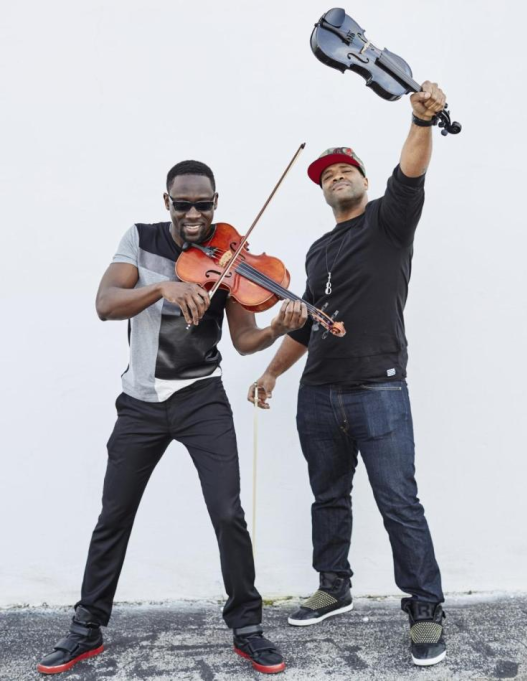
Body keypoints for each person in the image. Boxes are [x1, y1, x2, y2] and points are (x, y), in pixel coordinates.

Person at [37, 159, 307, 675]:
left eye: (202, 204)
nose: (192, 214)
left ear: (215, 203)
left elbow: (245, 340)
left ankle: (247, 627)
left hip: (201, 399)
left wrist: (276, 329)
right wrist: (162, 287)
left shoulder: (229, 256)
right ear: (167, 203)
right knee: (113, 516)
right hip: (139, 403)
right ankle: (86, 628)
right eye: (182, 203)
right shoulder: (138, 240)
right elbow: (105, 302)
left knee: (228, 512)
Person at [248, 82, 448, 667]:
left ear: (362, 178)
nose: (336, 176)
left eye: (345, 169)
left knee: (399, 502)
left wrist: (419, 120)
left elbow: (410, 172)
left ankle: (426, 610)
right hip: (318, 394)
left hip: (379, 388)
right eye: (327, 175)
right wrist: (272, 373)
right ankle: (333, 587)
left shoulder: (389, 220)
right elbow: (309, 324)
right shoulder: (316, 251)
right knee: (328, 498)